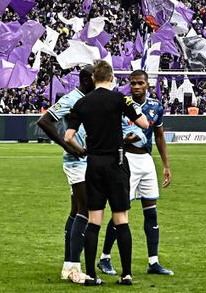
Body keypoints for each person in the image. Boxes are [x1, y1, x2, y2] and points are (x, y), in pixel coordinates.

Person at [64, 61, 149, 286]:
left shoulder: (82, 103)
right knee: (121, 219)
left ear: (94, 79)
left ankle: (91, 275)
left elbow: (67, 136)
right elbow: (144, 123)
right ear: (112, 78)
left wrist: (82, 150)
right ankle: (127, 274)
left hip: (94, 163)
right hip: (117, 162)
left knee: (94, 220)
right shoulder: (120, 99)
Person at [98, 69, 174, 277]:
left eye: (140, 83)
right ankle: (104, 258)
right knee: (121, 211)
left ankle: (153, 261)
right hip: (126, 159)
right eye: (133, 83)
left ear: (147, 84)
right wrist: (123, 141)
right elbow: (110, 132)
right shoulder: (122, 103)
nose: (136, 87)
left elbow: (159, 135)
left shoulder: (156, 106)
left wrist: (166, 165)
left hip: (147, 161)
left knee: (151, 210)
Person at [35, 65, 96, 283]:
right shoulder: (72, 99)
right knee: (84, 211)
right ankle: (76, 269)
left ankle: (67, 265)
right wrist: (66, 146)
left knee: (75, 211)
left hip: (85, 160)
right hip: (76, 161)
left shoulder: (88, 100)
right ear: (88, 80)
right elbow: (43, 121)